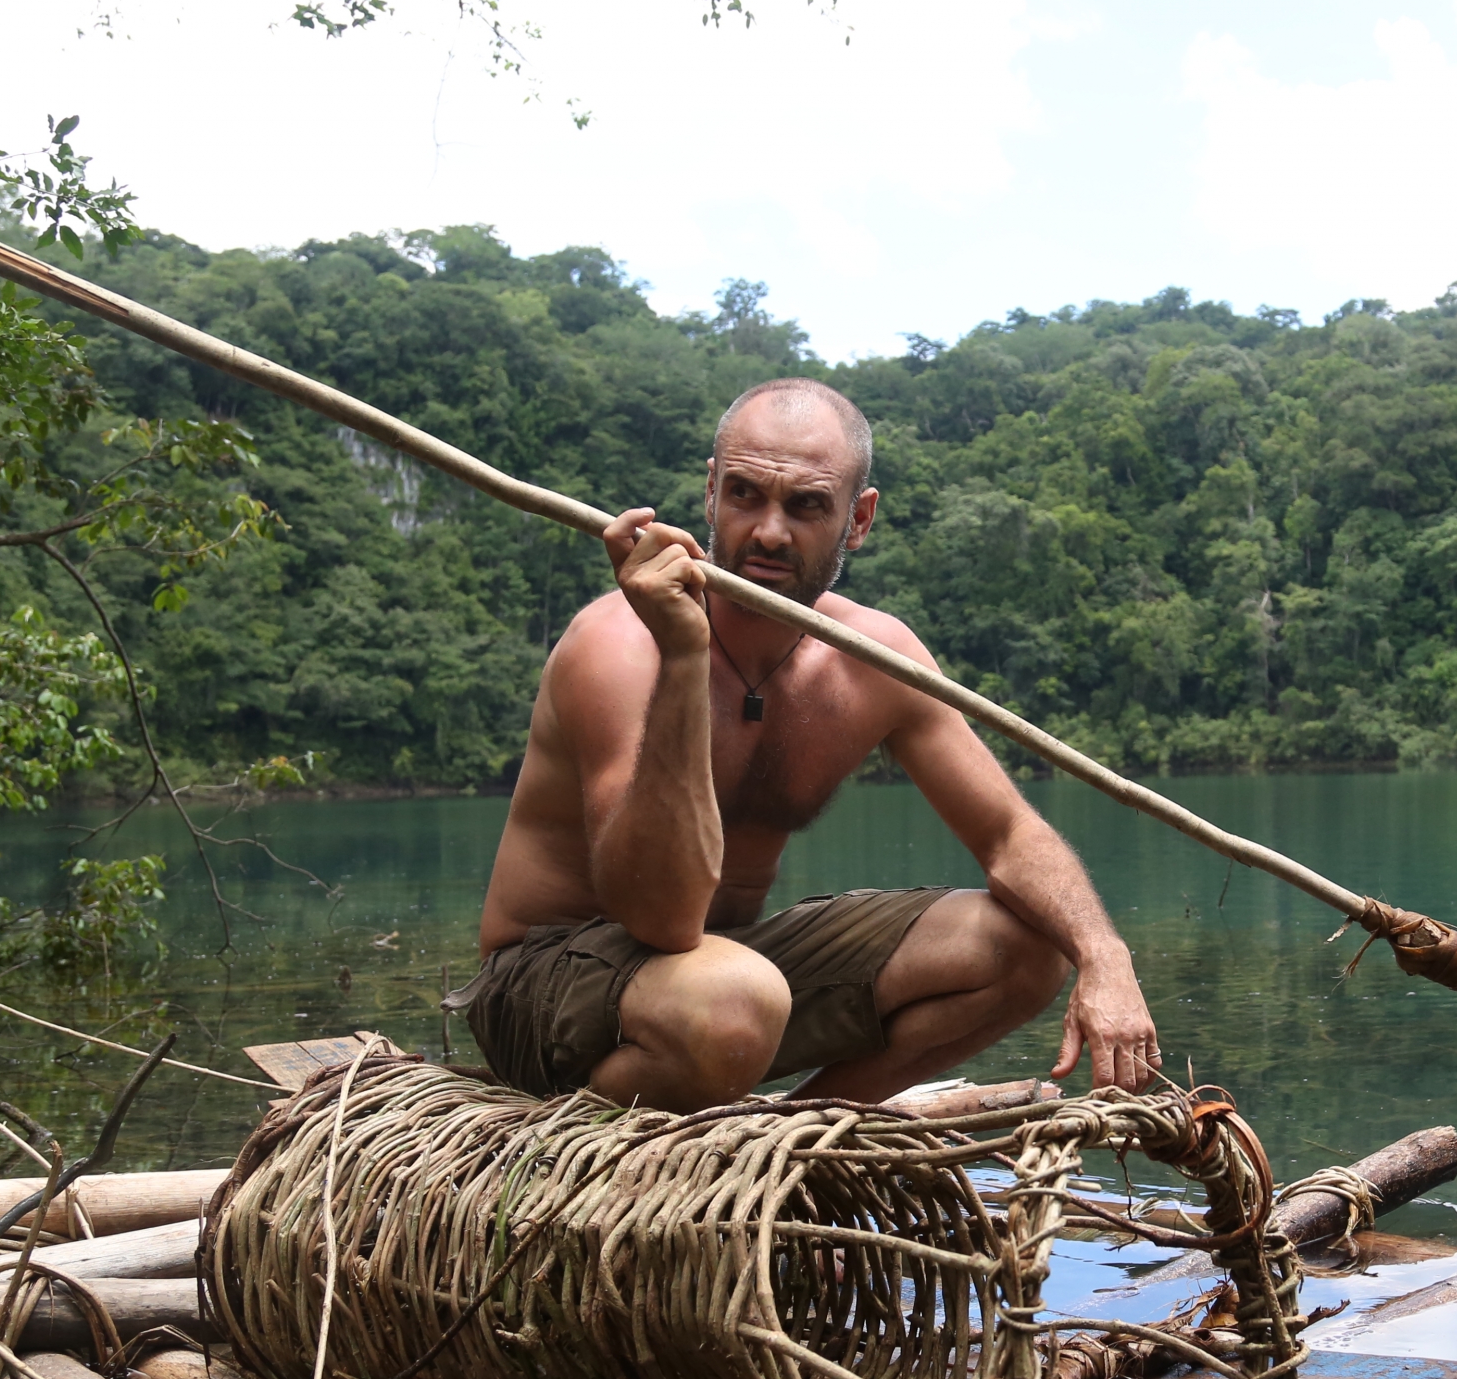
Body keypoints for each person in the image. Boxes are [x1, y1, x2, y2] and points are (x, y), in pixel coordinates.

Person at [454, 376, 1161, 1109]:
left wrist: (1105, 956)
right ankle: (632, 1132)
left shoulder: (874, 657)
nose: (768, 532)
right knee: (735, 1000)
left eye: (806, 505)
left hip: (718, 982)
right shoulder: (619, 645)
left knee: (1029, 947)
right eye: (745, 495)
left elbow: (1009, 833)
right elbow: (660, 918)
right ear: (711, 493)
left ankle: (811, 1123)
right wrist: (685, 655)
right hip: (548, 983)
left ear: (859, 519)